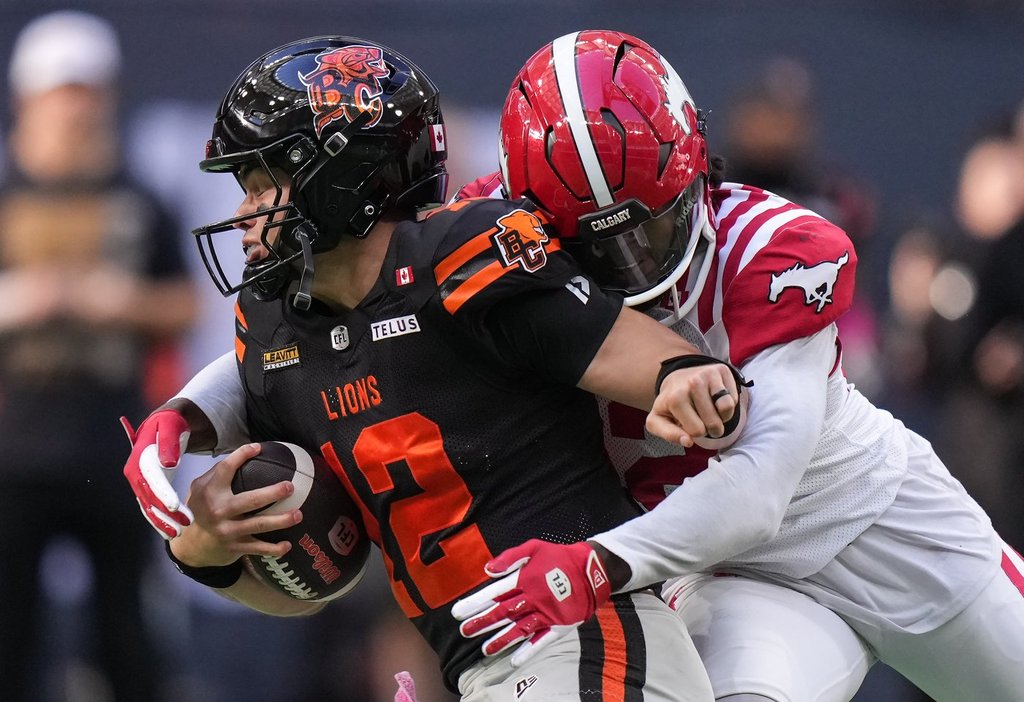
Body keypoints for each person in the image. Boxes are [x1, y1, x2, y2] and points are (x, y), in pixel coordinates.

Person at [119, 35, 748, 701]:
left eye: (260, 187)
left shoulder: (463, 257)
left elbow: (653, 360)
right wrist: (200, 550)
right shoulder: (277, 328)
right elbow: (311, 584)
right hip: (482, 674)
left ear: (339, 177)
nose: (244, 218)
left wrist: (688, 382)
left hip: (588, 637)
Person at [449, 30, 1024, 702]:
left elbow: (759, 488)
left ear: (697, 167)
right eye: (595, 252)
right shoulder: (486, 254)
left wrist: (596, 563)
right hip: (737, 577)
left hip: (884, 526)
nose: (634, 269)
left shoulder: (767, 248)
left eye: (651, 232)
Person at [0, 10, 197, 701]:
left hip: (110, 446)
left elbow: (184, 303)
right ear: (28, 97)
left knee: (125, 637)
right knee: (10, 634)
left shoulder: (137, 198)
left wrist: (119, 302)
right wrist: (18, 300)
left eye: (85, 91)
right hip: (13, 451)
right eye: (61, 91)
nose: (74, 108)